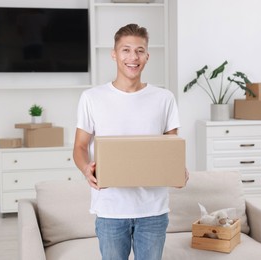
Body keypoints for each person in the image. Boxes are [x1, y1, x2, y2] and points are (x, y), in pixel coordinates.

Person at [73, 23, 185, 260]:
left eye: (139, 50)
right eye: (126, 50)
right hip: (111, 209)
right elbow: (80, 147)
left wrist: (177, 170)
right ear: (114, 54)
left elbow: (171, 147)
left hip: (153, 210)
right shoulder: (92, 98)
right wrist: (86, 169)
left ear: (147, 56)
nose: (133, 57)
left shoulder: (164, 98)